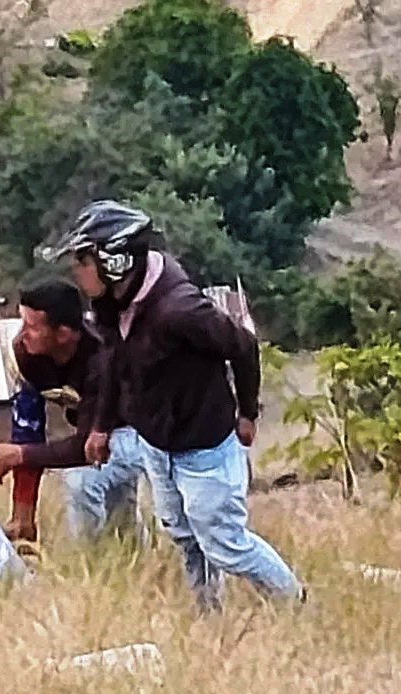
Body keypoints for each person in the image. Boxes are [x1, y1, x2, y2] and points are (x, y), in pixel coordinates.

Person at [46, 200, 305, 611]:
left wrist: (248, 412)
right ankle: (208, 616)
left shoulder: (179, 310)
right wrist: (101, 426)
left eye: (84, 259)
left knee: (227, 545)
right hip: (157, 442)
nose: (77, 270)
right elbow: (114, 357)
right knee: (184, 535)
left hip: (203, 445)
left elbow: (243, 345)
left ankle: (296, 605)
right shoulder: (113, 300)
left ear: (116, 259)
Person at [0, 280, 144, 542]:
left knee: (81, 481)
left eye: (32, 327)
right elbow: (28, 428)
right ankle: (132, 558)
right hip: (97, 433)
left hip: (141, 432)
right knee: (120, 518)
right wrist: (23, 513)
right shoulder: (27, 353)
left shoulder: (101, 360)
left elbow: (85, 449)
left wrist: (18, 455)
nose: (22, 334)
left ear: (64, 334)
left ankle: (87, 564)